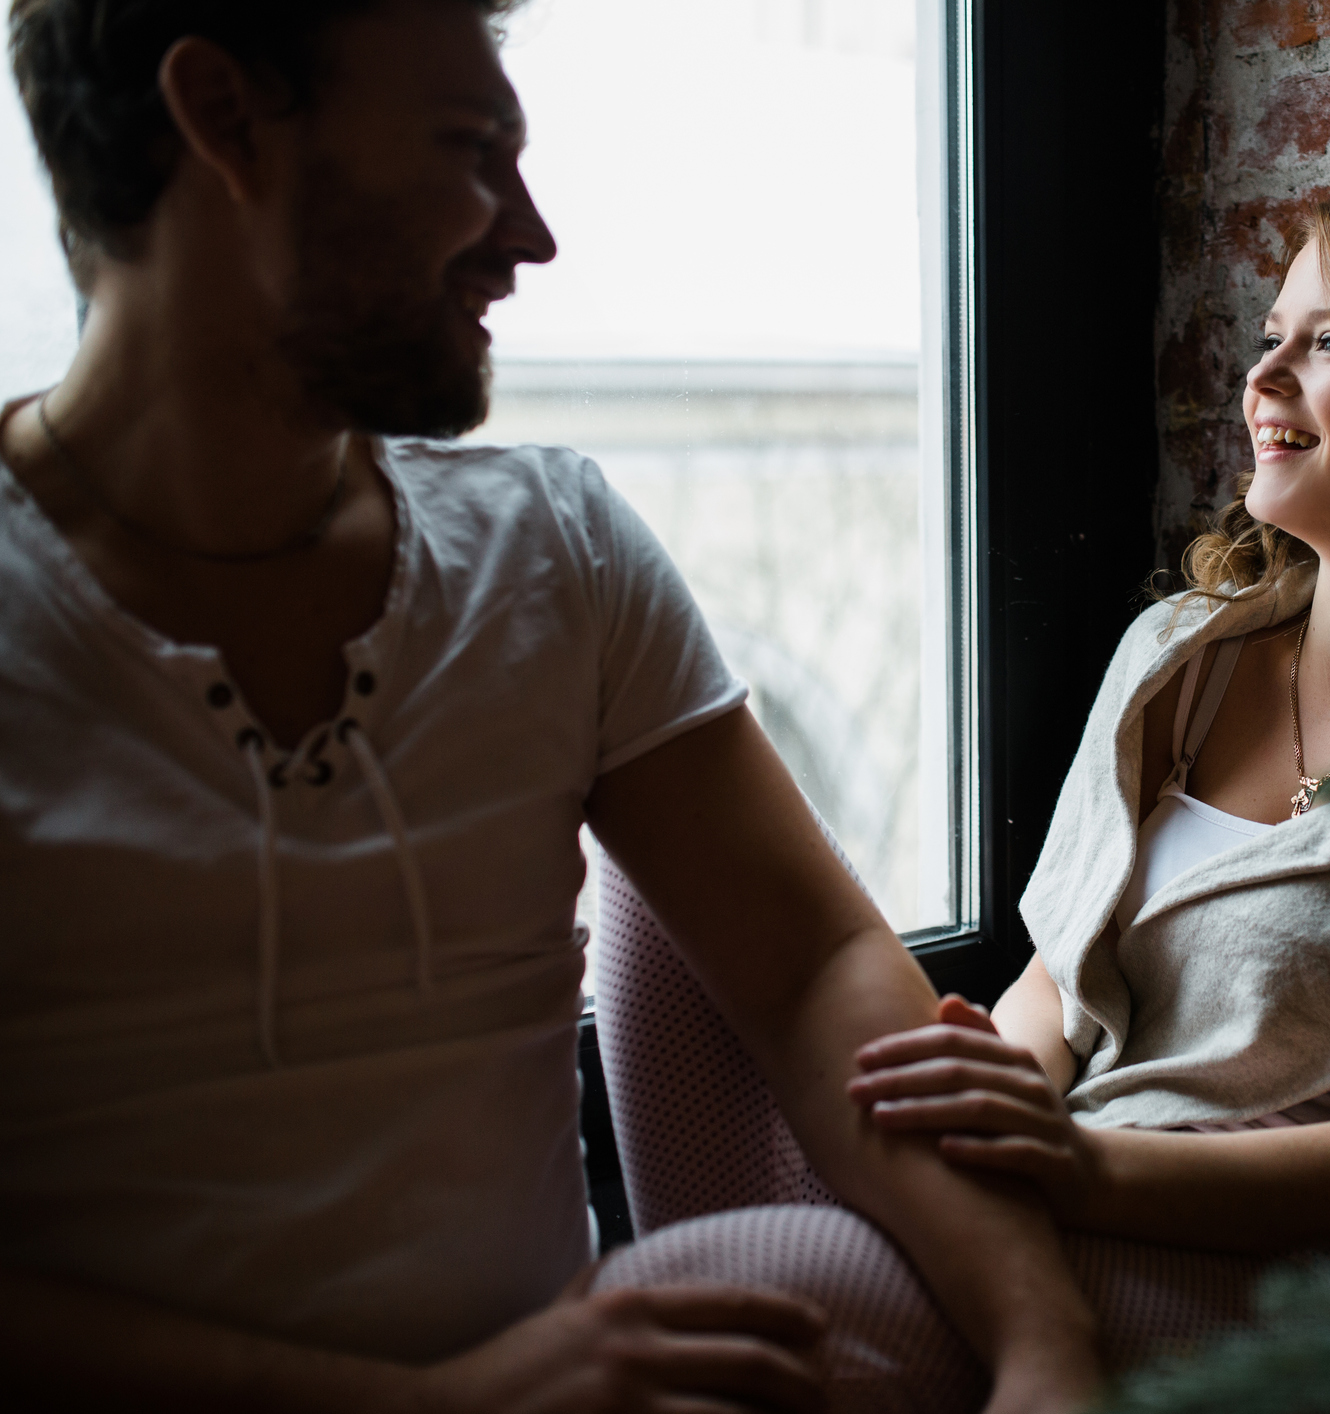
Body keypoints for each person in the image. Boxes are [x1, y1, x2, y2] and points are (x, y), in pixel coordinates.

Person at [0, 2, 1100, 1410]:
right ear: (223, 120)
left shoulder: (554, 550)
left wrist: (1046, 1347)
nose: (531, 237)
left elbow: (812, 961)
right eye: (470, 152)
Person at [588, 186, 1330, 1399]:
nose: (1269, 375)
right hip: (1069, 1172)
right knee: (658, 844)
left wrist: (1080, 1170)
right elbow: (1050, 988)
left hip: (1285, 1268)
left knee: (706, 1293)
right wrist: (984, 1124)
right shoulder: (1179, 659)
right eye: (1270, 337)